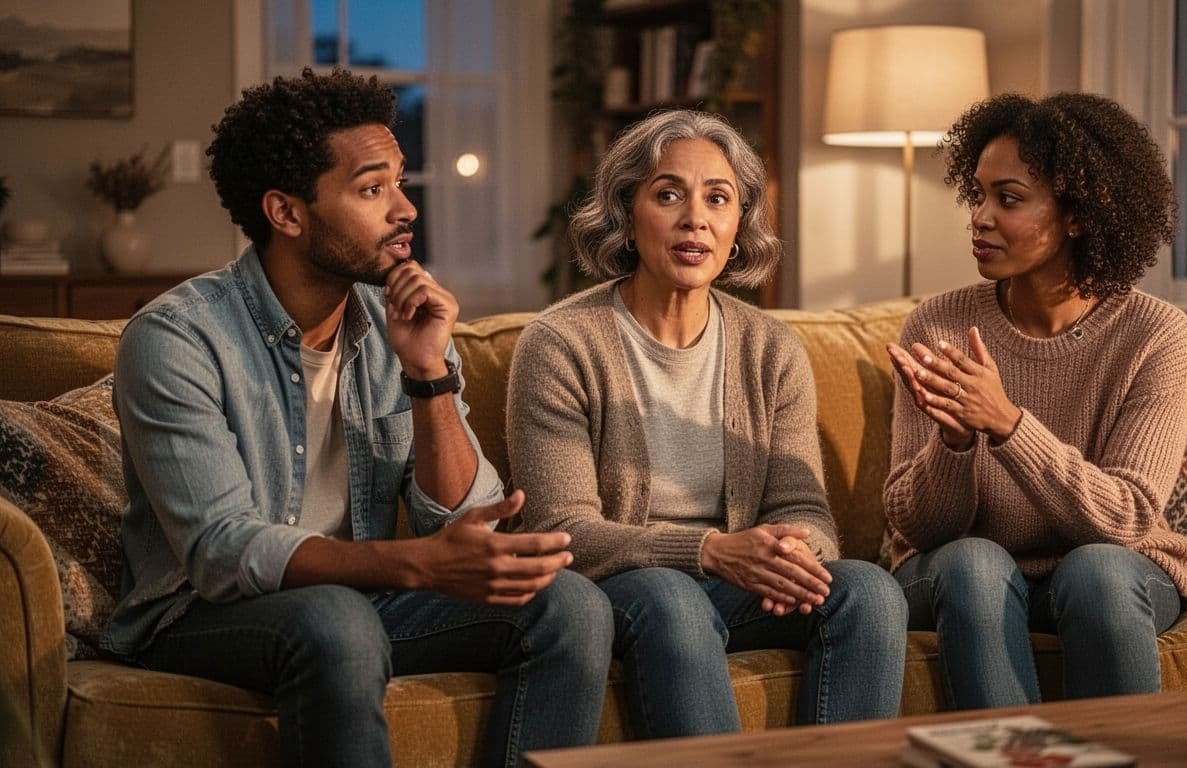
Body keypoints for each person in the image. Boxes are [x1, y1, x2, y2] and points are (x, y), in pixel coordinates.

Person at [102, 68, 613, 768]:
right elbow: (222, 552)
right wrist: (414, 567)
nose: (405, 208)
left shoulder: (392, 321)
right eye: (373, 189)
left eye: (400, 183)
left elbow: (468, 517)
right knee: (336, 620)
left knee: (571, 606)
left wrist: (428, 373)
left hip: (353, 603)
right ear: (287, 213)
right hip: (200, 616)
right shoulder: (177, 337)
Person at [506, 109, 908, 739]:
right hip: (628, 586)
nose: (695, 217)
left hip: (742, 580)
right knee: (673, 599)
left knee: (869, 592)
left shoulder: (771, 348)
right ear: (626, 215)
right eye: (669, 194)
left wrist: (792, 555)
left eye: (718, 199)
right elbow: (562, 531)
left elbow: (805, 506)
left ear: (738, 226)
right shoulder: (560, 343)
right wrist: (711, 551)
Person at [883, 92, 1187, 710]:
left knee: (1099, 572)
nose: (979, 216)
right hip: (960, 572)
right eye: (977, 195)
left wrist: (1006, 425)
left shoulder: (1156, 335)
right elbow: (915, 527)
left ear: (1077, 215)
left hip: (1112, 564)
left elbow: (1127, 519)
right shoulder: (936, 325)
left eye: (1009, 198)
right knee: (973, 562)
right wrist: (952, 444)